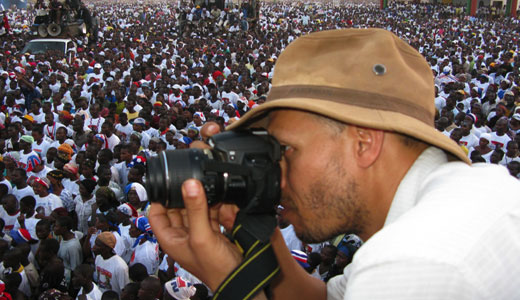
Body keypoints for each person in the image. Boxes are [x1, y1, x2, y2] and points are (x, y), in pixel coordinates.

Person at [149, 28, 520, 300]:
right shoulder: (467, 193)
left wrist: (226, 279)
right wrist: (247, 231)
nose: (274, 172)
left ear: (364, 142)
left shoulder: (416, 262)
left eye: (286, 149)